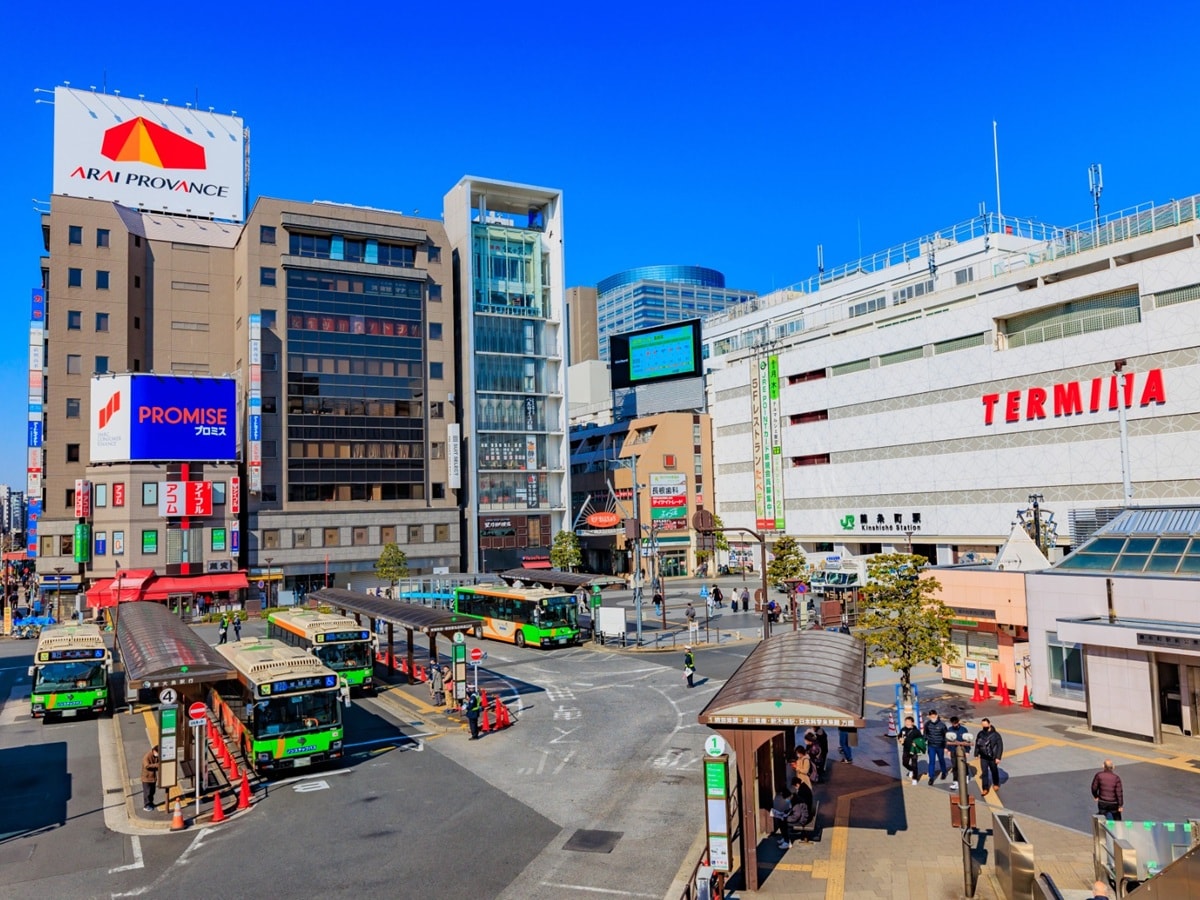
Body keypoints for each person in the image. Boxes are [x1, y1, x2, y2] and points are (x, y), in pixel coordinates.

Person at [778, 775, 814, 848]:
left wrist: (785, 818)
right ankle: (785, 838)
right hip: (805, 814)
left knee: (782, 822)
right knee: (782, 819)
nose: (795, 788)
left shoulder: (799, 796)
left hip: (803, 819)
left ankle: (787, 841)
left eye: (795, 786)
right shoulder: (797, 795)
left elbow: (796, 816)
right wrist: (785, 813)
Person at [974, 717, 1004, 796]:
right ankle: (985, 788)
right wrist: (976, 753)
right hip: (983, 756)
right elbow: (977, 743)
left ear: (989, 724)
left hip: (992, 757)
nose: (984, 727)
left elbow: (1000, 746)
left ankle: (996, 783)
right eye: (983, 725)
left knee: (994, 771)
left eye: (986, 725)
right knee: (984, 772)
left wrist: (998, 757)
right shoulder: (980, 733)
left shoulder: (996, 735)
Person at [923, 709, 949, 784]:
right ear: (929, 717)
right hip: (931, 746)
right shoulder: (927, 724)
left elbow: (946, 736)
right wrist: (922, 743)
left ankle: (944, 772)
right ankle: (931, 777)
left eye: (934, 716)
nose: (933, 718)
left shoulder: (942, 725)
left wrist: (946, 747)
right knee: (931, 761)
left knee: (941, 759)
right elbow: (925, 735)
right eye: (931, 717)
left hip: (940, 746)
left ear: (937, 716)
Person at [945, 715, 970, 790]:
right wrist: (947, 749)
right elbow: (948, 740)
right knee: (954, 766)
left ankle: (966, 775)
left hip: (962, 750)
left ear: (958, 722)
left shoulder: (963, 730)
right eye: (953, 723)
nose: (954, 725)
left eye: (955, 723)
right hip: (953, 750)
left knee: (963, 764)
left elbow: (967, 741)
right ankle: (955, 781)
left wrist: (967, 751)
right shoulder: (950, 729)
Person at [899, 714, 922, 784]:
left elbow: (921, 739)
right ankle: (911, 770)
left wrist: (917, 743)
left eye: (909, 722)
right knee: (904, 763)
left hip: (914, 750)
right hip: (906, 750)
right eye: (906, 722)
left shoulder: (916, 731)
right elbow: (899, 736)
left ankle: (915, 778)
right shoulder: (903, 729)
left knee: (914, 764)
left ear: (912, 723)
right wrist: (900, 739)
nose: (907, 723)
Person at [141, 744, 160, 811]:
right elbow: (147, 766)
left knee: (152, 791)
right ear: (154, 751)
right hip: (147, 778)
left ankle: (151, 803)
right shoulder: (147, 756)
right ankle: (146, 805)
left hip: (153, 777)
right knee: (147, 792)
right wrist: (156, 765)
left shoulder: (156, 756)